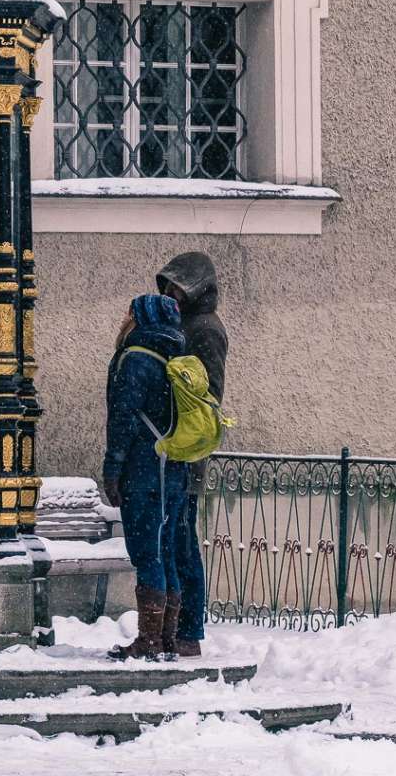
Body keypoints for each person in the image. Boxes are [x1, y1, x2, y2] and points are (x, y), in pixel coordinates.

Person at [103, 294, 189, 661]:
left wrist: (112, 467)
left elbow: (122, 418)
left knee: (146, 552)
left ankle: (149, 641)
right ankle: (166, 637)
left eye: (130, 313)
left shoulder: (137, 358)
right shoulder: (178, 356)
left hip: (144, 469)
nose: (125, 319)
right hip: (174, 467)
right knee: (165, 548)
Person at [156, 252, 229, 659]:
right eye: (167, 285)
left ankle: (188, 628)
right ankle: (178, 627)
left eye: (178, 286)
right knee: (175, 539)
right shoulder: (186, 325)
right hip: (179, 449)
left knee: (182, 541)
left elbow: (206, 396)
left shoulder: (205, 329)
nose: (171, 293)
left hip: (187, 451)